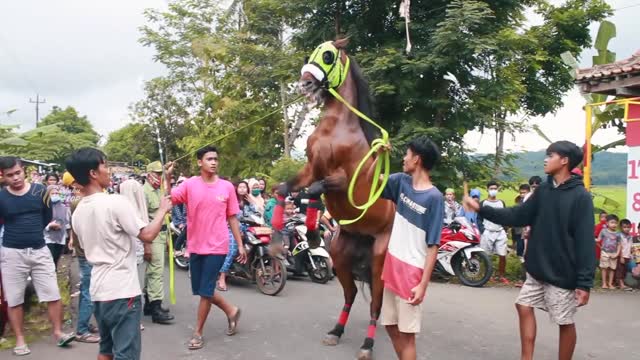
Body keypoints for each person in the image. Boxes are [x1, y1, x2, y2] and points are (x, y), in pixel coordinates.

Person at [463, 140, 595, 360]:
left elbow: (585, 242)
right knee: (523, 305)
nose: (545, 159)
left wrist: (584, 282)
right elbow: (518, 215)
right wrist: (481, 208)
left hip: (562, 272)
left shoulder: (580, 197)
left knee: (563, 321)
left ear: (564, 161)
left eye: (550, 155)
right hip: (537, 267)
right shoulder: (544, 190)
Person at [66, 148, 172, 360]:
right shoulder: (115, 203)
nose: (109, 171)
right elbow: (148, 235)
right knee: (126, 355)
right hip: (122, 292)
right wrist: (162, 210)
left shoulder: (78, 212)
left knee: (106, 350)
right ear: (93, 173)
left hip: (98, 290)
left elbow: (86, 249)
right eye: (105, 166)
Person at [164, 146, 247, 351]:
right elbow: (170, 199)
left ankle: (198, 333)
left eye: (216, 159)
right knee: (201, 289)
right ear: (200, 162)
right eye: (209, 159)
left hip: (218, 246)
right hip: (195, 246)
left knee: (205, 291)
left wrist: (240, 244)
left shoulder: (227, 187)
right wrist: (168, 178)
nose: (213, 162)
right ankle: (231, 310)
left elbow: (232, 217)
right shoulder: (190, 184)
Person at [0, 156, 76, 356]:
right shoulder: (1, 197)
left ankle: (58, 332)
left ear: (23, 170)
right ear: (3, 176)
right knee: (14, 298)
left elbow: (46, 216)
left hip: (40, 249)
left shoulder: (40, 191)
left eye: (18, 173)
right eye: (10, 175)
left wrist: (32, 234)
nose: (15, 178)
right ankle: (19, 339)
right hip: (11, 253)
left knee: (52, 293)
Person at [378, 136, 443, 360]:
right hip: (392, 267)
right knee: (390, 325)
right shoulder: (400, 182)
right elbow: (371, 180)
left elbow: (434, 245)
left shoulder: (435, 197)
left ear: (417, 159)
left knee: (407, 336)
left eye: (407, 154)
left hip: (411, 274)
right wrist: (379, 156)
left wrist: (423, 285)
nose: (403, 158)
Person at [65, 174, 101, 344]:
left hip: (84, 251)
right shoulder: (80, 202)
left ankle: (84, 324)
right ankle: (82, 330)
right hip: (88, 253)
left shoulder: (78, 201)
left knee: (89, 291)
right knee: (89, 292)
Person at [141, 161, 175, 324]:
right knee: (156, 272)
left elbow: (169, 193)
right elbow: (142, 221)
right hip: (151, 236)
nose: (159, 177)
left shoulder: (158, 189)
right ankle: (156, 307)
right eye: (156, 173)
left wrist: (167, 174)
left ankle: (149, 303)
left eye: (160, 174)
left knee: (152, 271)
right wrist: (146, 245)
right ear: (148, 174)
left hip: (162, 234)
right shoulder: (144, 192)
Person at [480, 180, 509, 284]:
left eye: (495, 189)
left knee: (502, 255)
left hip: (500, 231)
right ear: (487, 189)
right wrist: (482, 230)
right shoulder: (483, 203)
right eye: (491, 189)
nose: (493, 191)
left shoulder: (501, 203)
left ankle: (501, 275)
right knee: (487, 255)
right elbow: (479, 218)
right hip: (487, 231)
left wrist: (506, 230)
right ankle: (488, 275)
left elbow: (505, 216)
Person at [43, 185, 71, 268]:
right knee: (49, 260)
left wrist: (70, 238)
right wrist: (49, 226)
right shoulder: (44, 207)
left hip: (60, 238)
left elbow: (67, 223)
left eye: (56, 193)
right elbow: (40, 223)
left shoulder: (63, 208)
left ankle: (53, 277)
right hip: (47, 237)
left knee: (55, 259)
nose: (55, 195)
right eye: (52, 193)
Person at [598, 214, 621, 289]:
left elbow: (619, 244)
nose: (614, 224)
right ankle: (604, 283)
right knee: (604, 268)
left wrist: (617, 254)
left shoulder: (618, 234)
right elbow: (598, 239)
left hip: (614, 253)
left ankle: (610, 284)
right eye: (612, 222)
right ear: (607, 223)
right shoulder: (603, 231)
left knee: (612, 268)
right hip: (605, 252)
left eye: (616, 223)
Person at [512, 184, 531, 257]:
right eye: (521, 193)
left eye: (524, 193)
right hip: (519, 231)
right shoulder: (518, 204)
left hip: (529, 232)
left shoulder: (533, 202)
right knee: (520, 249)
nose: (522, 195)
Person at [617, 219, 633, 290]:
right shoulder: (619, 235)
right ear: (621, 227)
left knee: (624, 270)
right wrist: (621, 257)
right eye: (624, 227)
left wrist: (630, 255)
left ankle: (622, 283)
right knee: (620, 270)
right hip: (621, 256)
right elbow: (619, 247)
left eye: (628, 227)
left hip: (627, 256)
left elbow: (630, 247)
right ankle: (621, 284)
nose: (627, 229)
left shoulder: (630, 236)